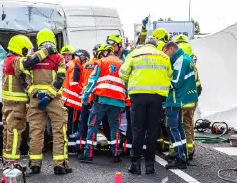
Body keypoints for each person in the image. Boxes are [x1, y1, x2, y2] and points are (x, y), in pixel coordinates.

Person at [119, 38, 172, 175]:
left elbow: (122, 73)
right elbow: (170, 76)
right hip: (157, 98)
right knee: (153, 132)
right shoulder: (164, 56)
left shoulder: (135, 54)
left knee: (138, 131)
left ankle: (135, 166)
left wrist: (133, 80)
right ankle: (150, 166)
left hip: (138, 97)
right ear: (155, 46)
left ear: (145, 44)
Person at [2, 34, 55, 163]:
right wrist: (46, 50)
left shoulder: (7, 60)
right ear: (20, 48)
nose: (27, 53)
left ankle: (7, 159)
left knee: (8, 131)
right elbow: (29, 62)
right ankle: (12, 163)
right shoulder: (15, 60)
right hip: (16, 104)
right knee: (15, 132)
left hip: (8, 103)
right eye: (26, 50)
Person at [27, 28, 72, 175]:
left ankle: (34, 164)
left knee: (36, 132)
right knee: (59, 131)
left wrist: (38, 94)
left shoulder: (32, 58)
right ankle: (59, 165)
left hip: (36, 101)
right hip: (54, 100)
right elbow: (60, 79)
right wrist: (49, 96)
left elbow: (25, 82)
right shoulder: (59, 58)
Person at [79, 44, 126, 163]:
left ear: (104, 52)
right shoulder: (122, 63)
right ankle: (116, 154)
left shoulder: (100, 62)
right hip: (117, 101)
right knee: (114, 127)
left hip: (101, 100)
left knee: (93, 124)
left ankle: (88, 154)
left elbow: (92, 81)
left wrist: (85, 98)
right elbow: (126, 82)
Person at [162, 42, 198, 169]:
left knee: (173, 128)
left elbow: (176, 82)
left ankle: (180, 158)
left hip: (176, 99)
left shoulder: (181, 59)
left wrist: (160, 85)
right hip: (180, 99)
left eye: (165, 52)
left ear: (171, 48)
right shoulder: (185, 58)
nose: (165, 56)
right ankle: (182, 156)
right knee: (178, 128)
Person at [174, 35, 202, 160]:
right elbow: (198, 84)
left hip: (180, 98)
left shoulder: (177, 59)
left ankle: (176, 152)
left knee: (176, 125)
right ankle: (190, 149)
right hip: (192, 97)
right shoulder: (191, 60)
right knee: (188, 123)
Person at [61, 49, 90, 154]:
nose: (85, 62)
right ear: (81, 57)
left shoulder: (70, 64)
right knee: (73, 126)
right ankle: (71, 147)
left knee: (69, 124)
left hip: (67, 99)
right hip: (73, 101)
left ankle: (69, 146)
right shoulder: (76, 67)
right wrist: (84, 90)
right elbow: (74, 84)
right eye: (85, 59)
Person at [76, 44, 100, 158]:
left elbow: (83, 82)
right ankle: (92, 148)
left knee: (83, 124)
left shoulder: (86, 65)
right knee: (95, 124)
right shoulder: (100, 64)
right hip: (96, 98)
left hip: (86, 98)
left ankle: (80, 147)